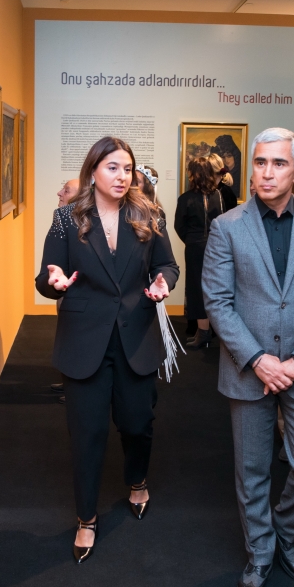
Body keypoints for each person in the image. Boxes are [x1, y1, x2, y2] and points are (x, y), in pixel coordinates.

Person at [203, 128, 294, 587]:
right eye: (260, 162)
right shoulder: (227, 226)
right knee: (252, 471)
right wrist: (259, 360)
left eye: (279, 163)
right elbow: (218, 302)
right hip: (248, 370)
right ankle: (261, 551)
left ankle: (284, 527)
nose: (267, 172)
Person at [35, 136, 178, 564]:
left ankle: (137, 479)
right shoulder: (66, 218)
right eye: (112, 167)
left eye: (127, 168)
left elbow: (167, 264)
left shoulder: (149, 214)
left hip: (136, 337)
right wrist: (53, 282)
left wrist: (164, 282)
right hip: (84, 339)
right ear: (93, 170)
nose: (122, 176)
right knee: (87, 433)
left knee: (137, 422)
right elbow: (46, 276)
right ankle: (86, 517)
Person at [175, 156, 225, 348]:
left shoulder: (185, 198)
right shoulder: (217, 195)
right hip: (215, 247)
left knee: (196, 289)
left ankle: (203, 333)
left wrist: (191, 240)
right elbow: (222, 221)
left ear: (193, 174)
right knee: (214, 287)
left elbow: (179, 225)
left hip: (195, 248)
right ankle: (208, 332)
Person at [49, 178, 81, 399]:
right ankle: (70, 382)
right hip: (65, 289)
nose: (60, 193)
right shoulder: (62, 217)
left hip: (79, 293)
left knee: (77, 340)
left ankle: (76, 388)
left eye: (66, 190)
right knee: (67, 338)